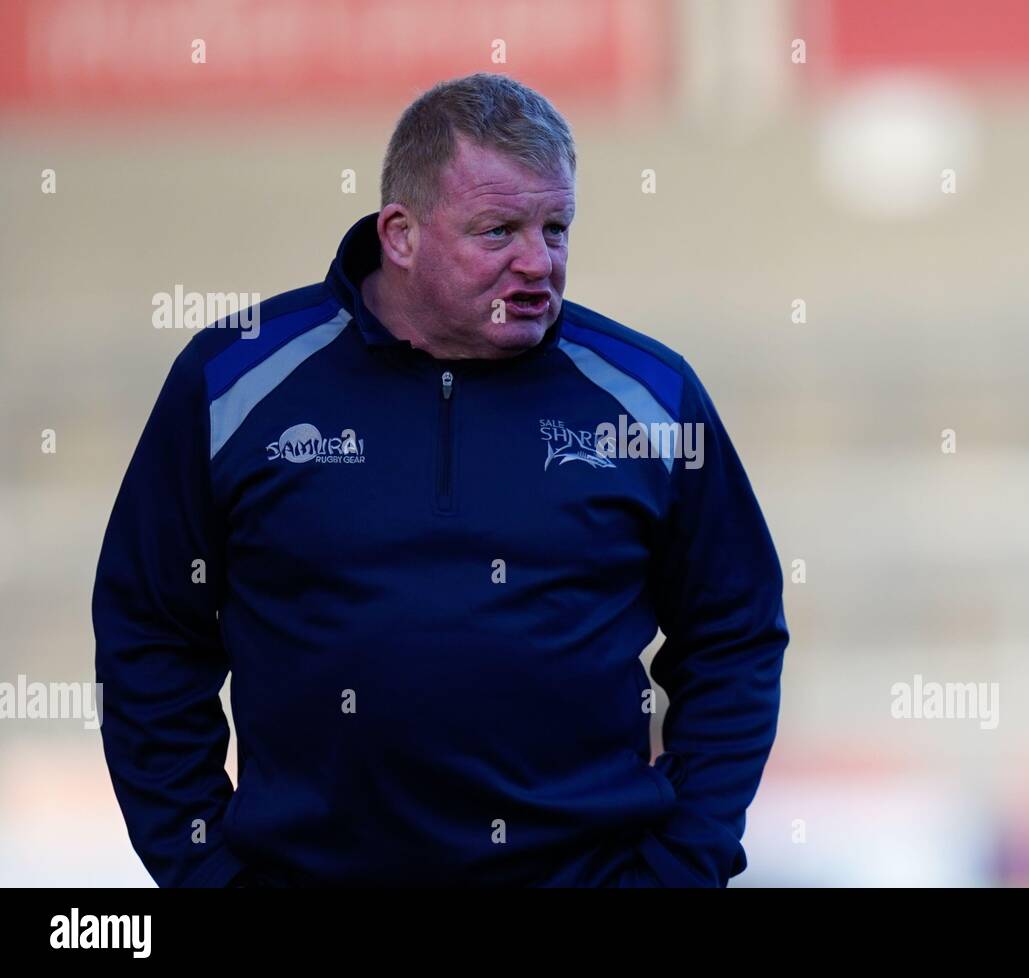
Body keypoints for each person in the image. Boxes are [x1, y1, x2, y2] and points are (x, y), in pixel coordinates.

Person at [92, 72, 788, 888]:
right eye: (498, 231)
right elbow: (148, 633)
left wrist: (681, 866)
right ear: (401, 233)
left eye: (556, 227)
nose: (539, 262)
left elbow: (735, 635)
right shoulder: (235, 378)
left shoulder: (651, 395)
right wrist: (203, 870)